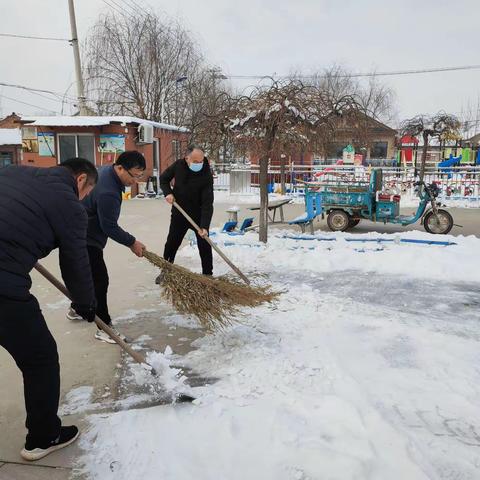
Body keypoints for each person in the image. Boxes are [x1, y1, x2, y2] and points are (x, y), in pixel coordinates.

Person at [0, 158, 98, 461]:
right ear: (80, 180)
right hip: (3, 286)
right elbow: (76, 264)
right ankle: (44, 437)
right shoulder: (70, 206)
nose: (83, 199)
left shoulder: (11, 171)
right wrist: (86, 305)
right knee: (40, 359)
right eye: (86, 192)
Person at [67, 151, 147, 343]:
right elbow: (109, 226)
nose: (135, 180)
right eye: (134, 175)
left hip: (80, 230)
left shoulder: (106, 172)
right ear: (120, 168)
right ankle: (104, 327)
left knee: (88, 277)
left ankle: (76, 308)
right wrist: (132, 242)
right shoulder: (109, 192)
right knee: (100, 281)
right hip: (85, 237)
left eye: (139, 176)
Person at [160, 146, 214, 276]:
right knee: (171, 243)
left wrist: (205, 226)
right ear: (187, 158)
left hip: (199, 215)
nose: (199, 164)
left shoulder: (206, 173)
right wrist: (168, 193)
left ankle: (207, 275)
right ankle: (166, 271)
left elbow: (208, 202)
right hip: (180, 212)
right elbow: (163, 179)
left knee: (205, 245)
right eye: (195, 162)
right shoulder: (179, 165)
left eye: (201, 161)